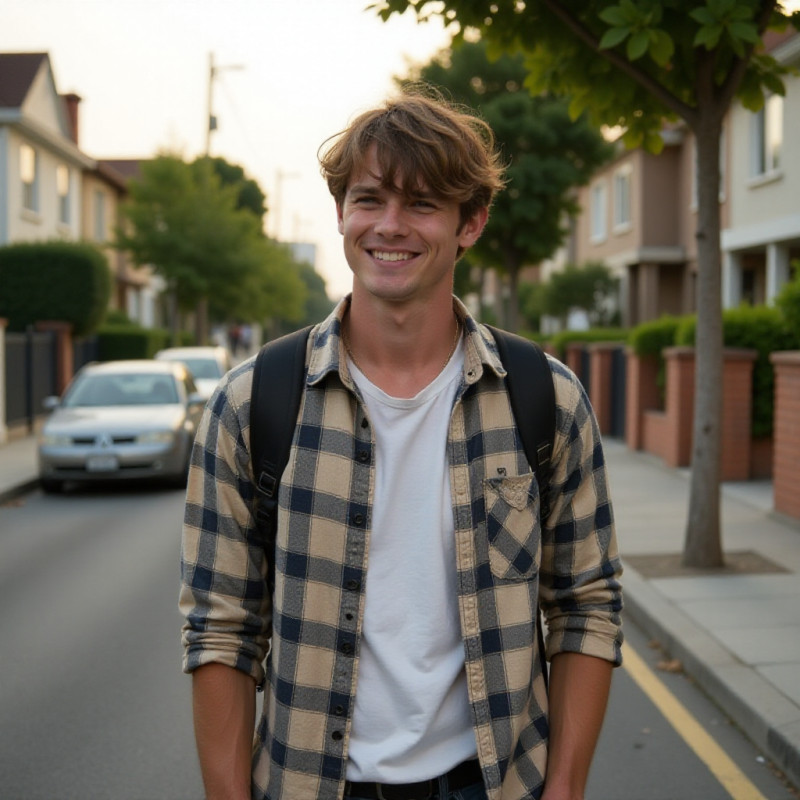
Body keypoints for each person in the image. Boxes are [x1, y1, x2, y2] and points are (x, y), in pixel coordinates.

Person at [180, 89, 623, 800]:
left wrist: (564, 788)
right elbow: (222, 630)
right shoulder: (251, 404)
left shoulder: (545, 398)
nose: (389, 226)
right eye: (369, 199)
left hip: (496, 784)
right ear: (340, 214)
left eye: (421, 204)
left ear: (469, 223)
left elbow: (586, 603)